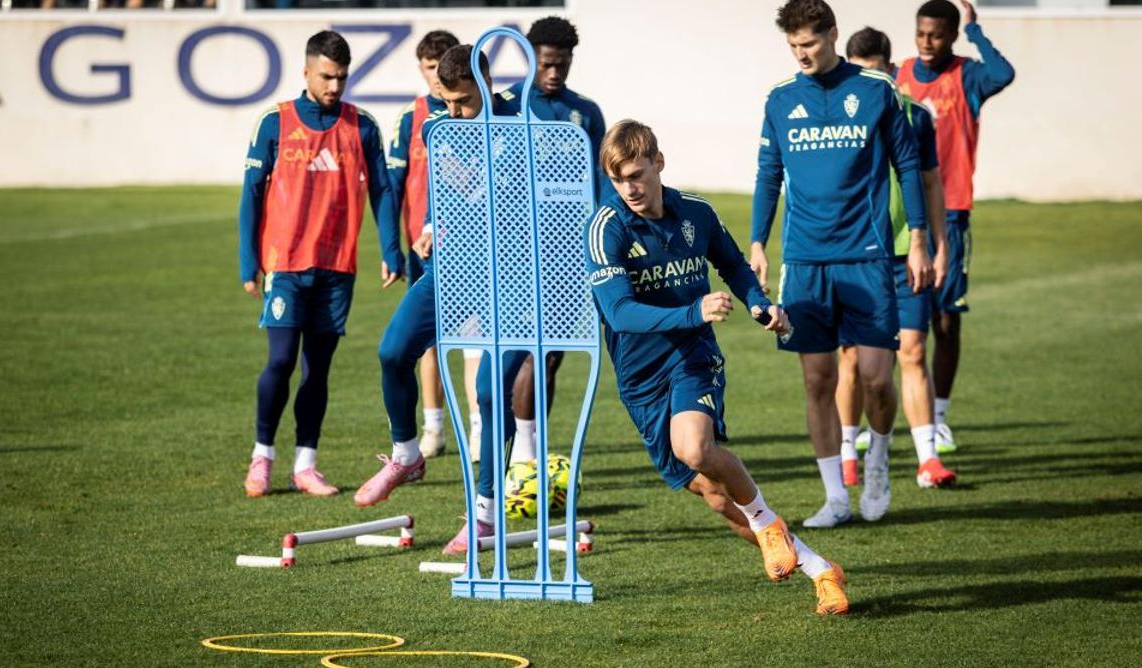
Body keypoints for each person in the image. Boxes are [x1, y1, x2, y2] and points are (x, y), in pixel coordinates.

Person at [587, 119, 847, 615]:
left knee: (695, 448)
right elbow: (619, 313)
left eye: (638, 175)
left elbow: (733, 265)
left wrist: (758, 303)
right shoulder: (608, 228)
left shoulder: (696, 214)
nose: (631, 188)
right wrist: (694, 309)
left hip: (691, 359)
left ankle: (768, 525)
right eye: (620, 179)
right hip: (639, 380)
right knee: (714, 497)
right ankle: (819, 569)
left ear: (658, 163)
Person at [750, 0, 933, 527]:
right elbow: (768, 175)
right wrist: (759, 241)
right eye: (793, 47)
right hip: (806, 261)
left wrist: (917, 238)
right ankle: (835, 496)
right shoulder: (781, 101)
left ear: (832, 34)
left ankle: (878, 461)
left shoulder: (876, 92)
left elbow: (908, 168)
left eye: (808, 43)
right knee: (817, 379)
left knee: (877, 378)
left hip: (868, 257)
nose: (801, 54)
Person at [356, 44, 521, 509]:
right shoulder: (441, 128)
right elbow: (445, 190)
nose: (453, 112)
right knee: (392, 352)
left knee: (489, 391)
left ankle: (486, 513)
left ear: (487, 85)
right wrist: (430, 226)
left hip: (513, 279)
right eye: (444, 101)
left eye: (462, 101)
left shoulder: (526, 120)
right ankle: (407, 455)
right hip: (455, 268)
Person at [239, 30, 401, 498]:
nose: (334, 86)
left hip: (337, 266)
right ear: (306, 72)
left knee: (319, 368)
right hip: (286, 264)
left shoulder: (361, 124)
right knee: (281, 359)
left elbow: (382, 191)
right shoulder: (275, 121)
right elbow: (251, 193)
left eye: (342, 77)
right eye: (327, 76)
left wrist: (391, 249)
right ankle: (262, 455)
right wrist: (249, 260)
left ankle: (305, 465)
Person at [836, 26, 957, 495]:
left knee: (912, 352)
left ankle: (928, 459)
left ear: (892, 69)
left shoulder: (916, 117)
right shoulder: (839, 122)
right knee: (851, 361)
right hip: (855, 256)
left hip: (907, 254)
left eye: (878, 73)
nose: (870, 82)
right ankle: (848, 453)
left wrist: (938, 243)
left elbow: (931, 182)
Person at [897, 0, 1015, 453]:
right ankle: (895, 413)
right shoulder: (899, 76)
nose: (928, 43)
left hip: (950, 212)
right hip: (904, 214)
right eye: (922, 33)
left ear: (951, 35)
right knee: (902, 324)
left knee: (945, 321)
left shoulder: (969, 76)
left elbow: (1003, 73)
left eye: (938, 34)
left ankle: (939, 418)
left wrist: (976, 31)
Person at [501, 16, 614, 467]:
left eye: (562, 65)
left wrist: (605, 236)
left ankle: (527, 450)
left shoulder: (585, 112)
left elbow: (601, 181)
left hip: (569, 254)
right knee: (526, 353)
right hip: (515, 251)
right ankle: (519, 454)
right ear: (530, 58)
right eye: (547, 64)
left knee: (551, 359)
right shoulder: (504, 104)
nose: (553, 74)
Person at [386, 29, 471, 460]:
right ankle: (431, 430)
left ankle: (479, 431)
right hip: (427, 247)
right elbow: (393, 185)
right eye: (429, 69)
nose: (436, 78)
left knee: (478, 342)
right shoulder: (417, 119)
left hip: (475, 252)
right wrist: (401, 241)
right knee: (423, 343)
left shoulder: (489, 118)